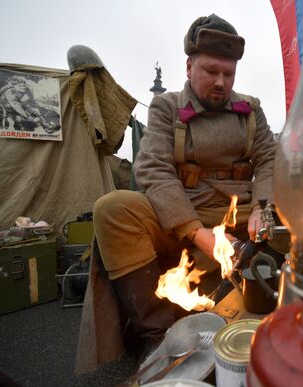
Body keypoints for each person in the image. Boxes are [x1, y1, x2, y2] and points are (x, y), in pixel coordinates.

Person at [76, 14, 277, 372]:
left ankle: (290, 308)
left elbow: (271, 161)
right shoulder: (167, 107)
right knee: (114, 208)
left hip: (244, 215)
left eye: (228, 74)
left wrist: (264, 208)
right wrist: (197, 233)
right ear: (188, 66)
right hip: (184, 216)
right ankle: (163, 333)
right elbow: (152, 169)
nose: (221, 82)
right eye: (210, 71)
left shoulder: (252, 111)